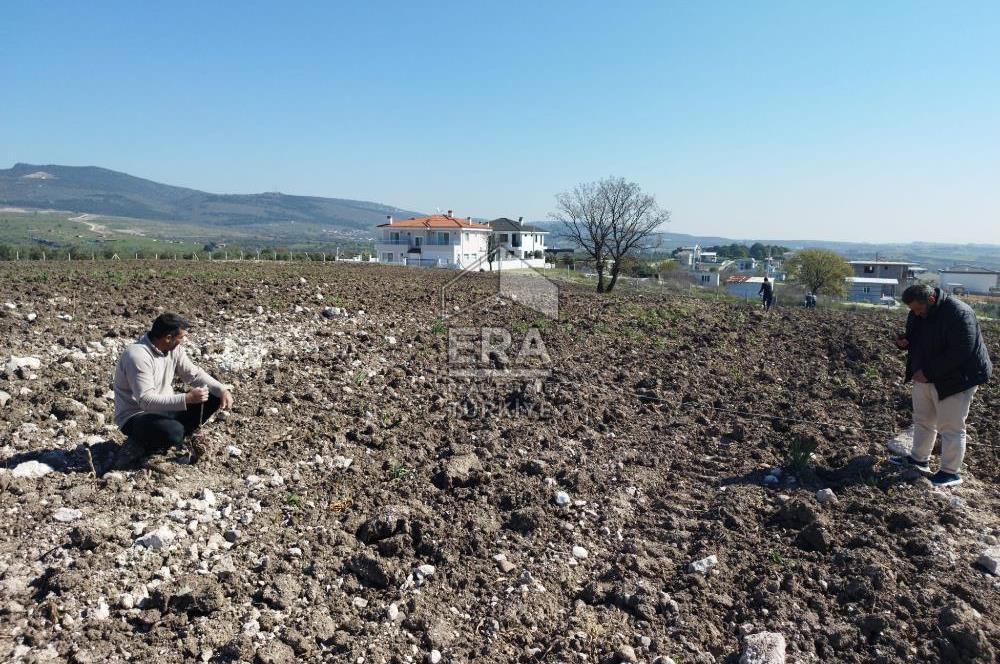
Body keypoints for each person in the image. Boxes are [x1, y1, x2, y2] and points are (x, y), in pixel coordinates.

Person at [889, 284, 992, 486]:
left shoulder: (959, 313)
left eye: (918, 309)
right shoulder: (918, 312)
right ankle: (919, 459)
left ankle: (950, 472)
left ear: (931, 300)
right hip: (927, 374)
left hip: (958, 378)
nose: (915, 314)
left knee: (951, 425)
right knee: (923, 419)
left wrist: (929, 373)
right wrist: (905, 341)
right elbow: (916, 334)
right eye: (912, 311)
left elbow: (963, 350)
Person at [112, 313, 234, 468]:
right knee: (174, 432)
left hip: (165, 409)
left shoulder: (173, 350)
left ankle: (176, 434)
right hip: (136, 416)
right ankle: (141, 444)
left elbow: (194, 374)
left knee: (214, 395)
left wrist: (222, 390)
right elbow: (146, 401)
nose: (183, 341)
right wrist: (187, 399)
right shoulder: (138, 356)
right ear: (168, 338)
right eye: (181, 337)